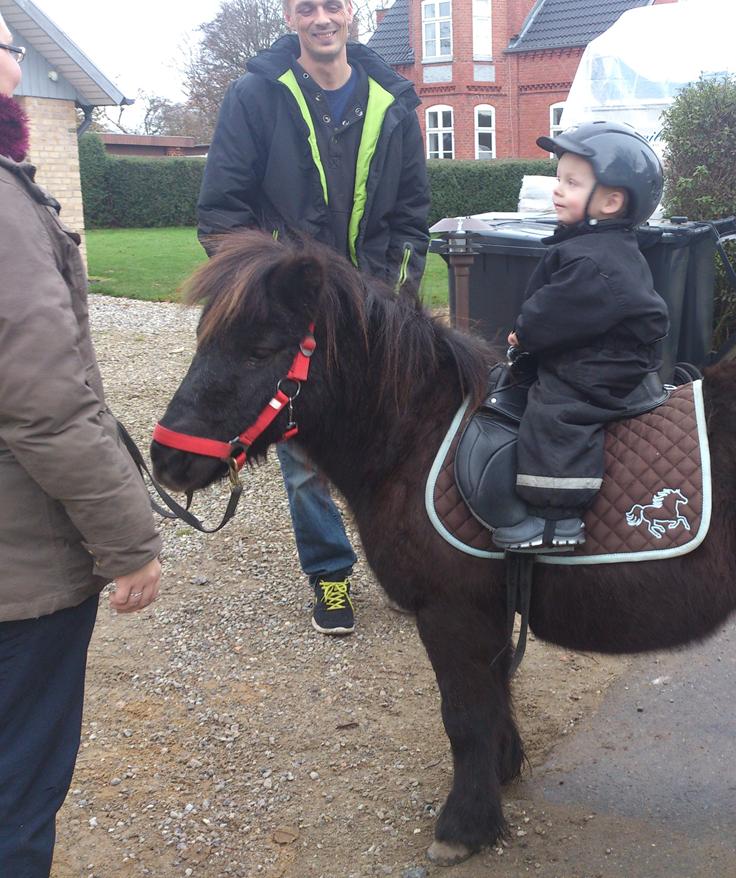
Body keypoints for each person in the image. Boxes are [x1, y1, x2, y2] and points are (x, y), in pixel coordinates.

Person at [197, 0, 430, 634]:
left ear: (352, 12)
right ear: (289, 16)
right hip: (292, 308)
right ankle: (330, 573)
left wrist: (392, 299)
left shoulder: (394, 100)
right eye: (307, 8)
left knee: (392, 440)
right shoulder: (256, 95)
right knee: (304, 458)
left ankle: (402, 562)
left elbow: (412, 213)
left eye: (332, 5)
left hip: (373, 310)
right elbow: (222, 212)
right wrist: (267, 290)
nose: (321, 18)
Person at [0, 16, 163, 875]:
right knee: (16, 791)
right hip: (18, 574)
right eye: (6, 44)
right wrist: (128, 543)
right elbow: (45, 406)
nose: (16, 57)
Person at [492, 121, 669, 552]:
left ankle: (556, 518)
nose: (557, 190)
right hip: (602, 345)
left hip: (608, 362)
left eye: (572, 183)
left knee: (557, 410)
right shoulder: (592, 244)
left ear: (611, 201)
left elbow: (556, 312)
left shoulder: (595, 262)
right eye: (559, 178)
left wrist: (524, 334)